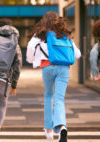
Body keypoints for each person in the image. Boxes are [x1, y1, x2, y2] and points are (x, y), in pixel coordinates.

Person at [26, 11, 81, 142]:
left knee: (48, 95)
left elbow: (30, 49)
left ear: (44, 21)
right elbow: (77, 54)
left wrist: (32, 59)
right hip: (64, 69)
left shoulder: (40, 35)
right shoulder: (65, 35)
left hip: (48, 67)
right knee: (59, 99)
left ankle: (48, 129)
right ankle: (62, 127)